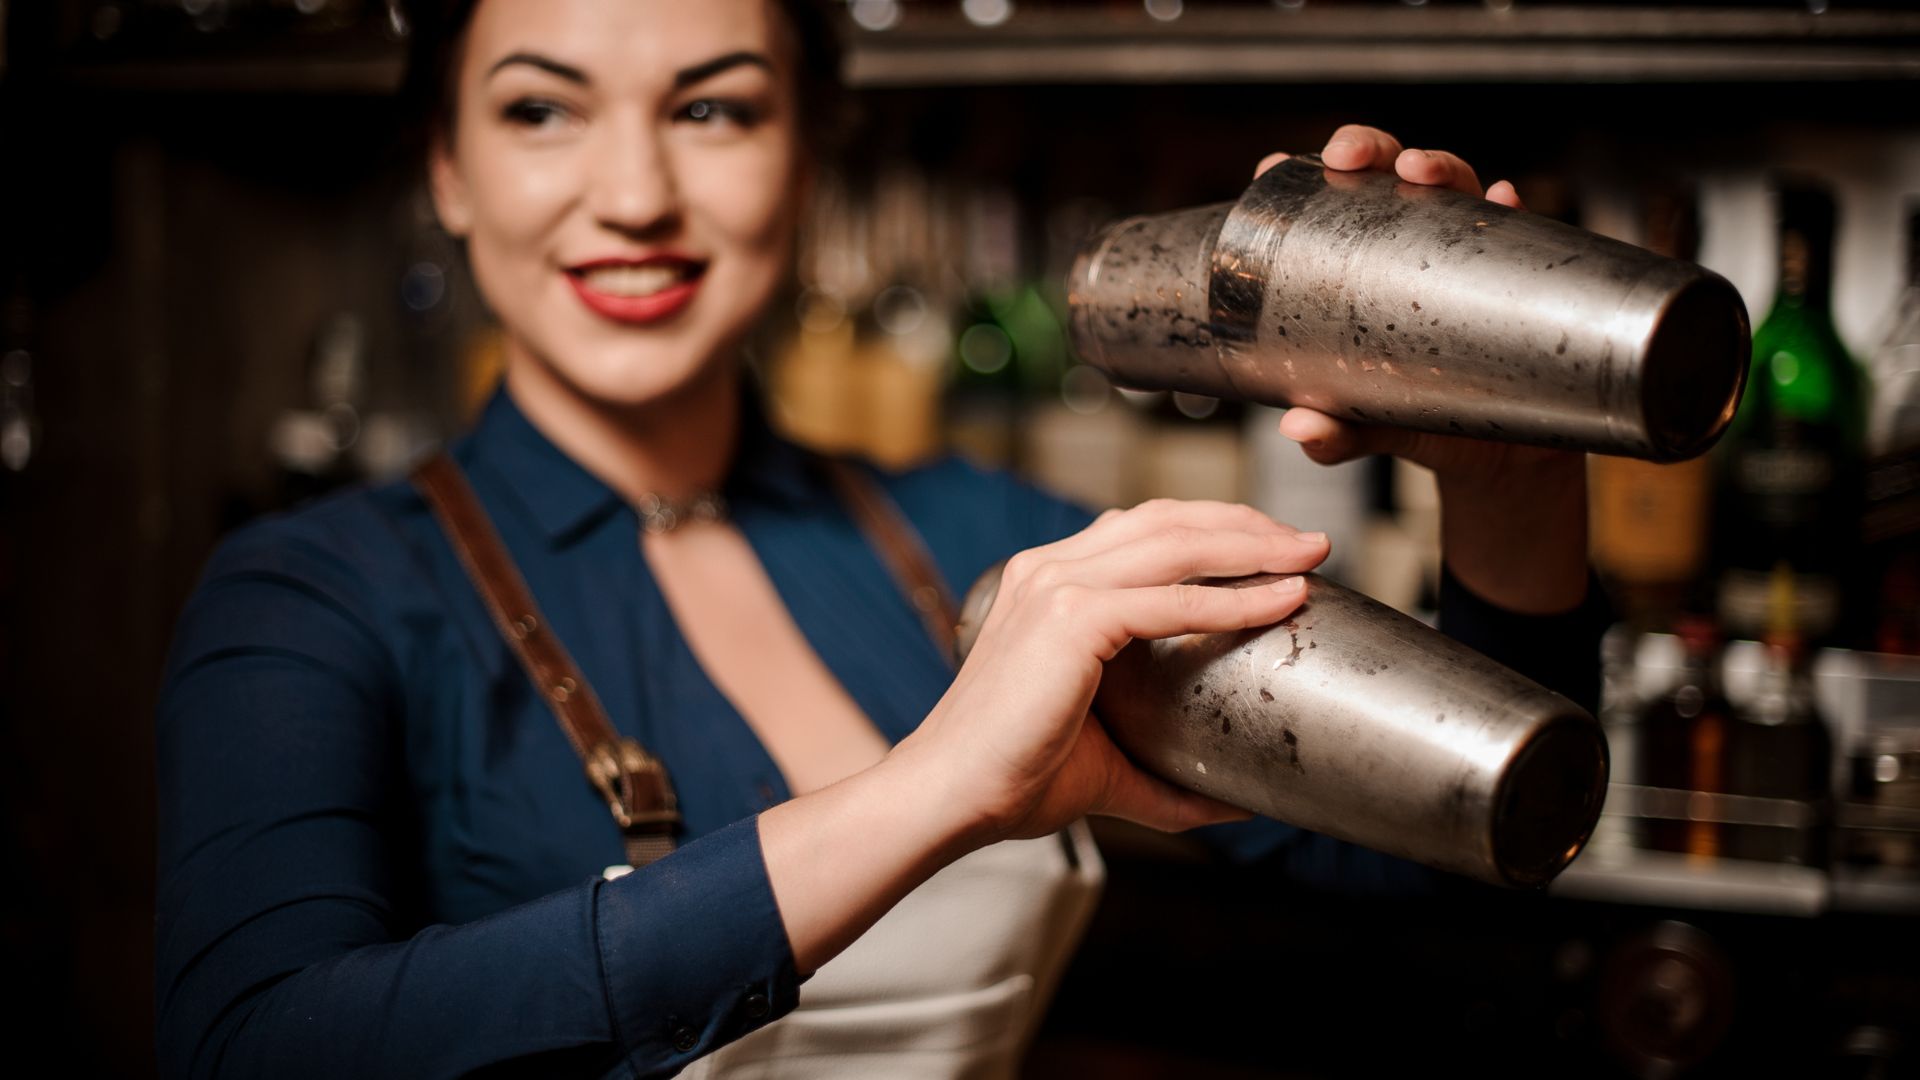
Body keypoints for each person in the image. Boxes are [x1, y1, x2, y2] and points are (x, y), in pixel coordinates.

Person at [153, 1, 1605, 1077]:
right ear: (451, 171)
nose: (637, 195)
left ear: (807, 157)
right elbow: (254, 1049)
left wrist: (1510, 481)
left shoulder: (980, 539)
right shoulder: (315, 594)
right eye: (543, 110)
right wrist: (928, 796)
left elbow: (1439, 847)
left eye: (713, 108)